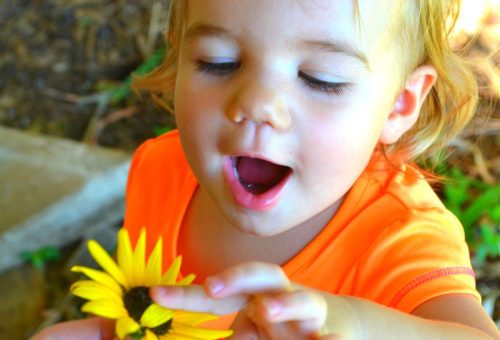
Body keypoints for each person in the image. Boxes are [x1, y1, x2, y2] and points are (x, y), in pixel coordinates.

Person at [33, 0, 500, 339]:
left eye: (321, 79)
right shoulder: (161, 168)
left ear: (400, 103)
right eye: (219, 63)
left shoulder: (397, 237)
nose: (257, 105)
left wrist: (351, 324)